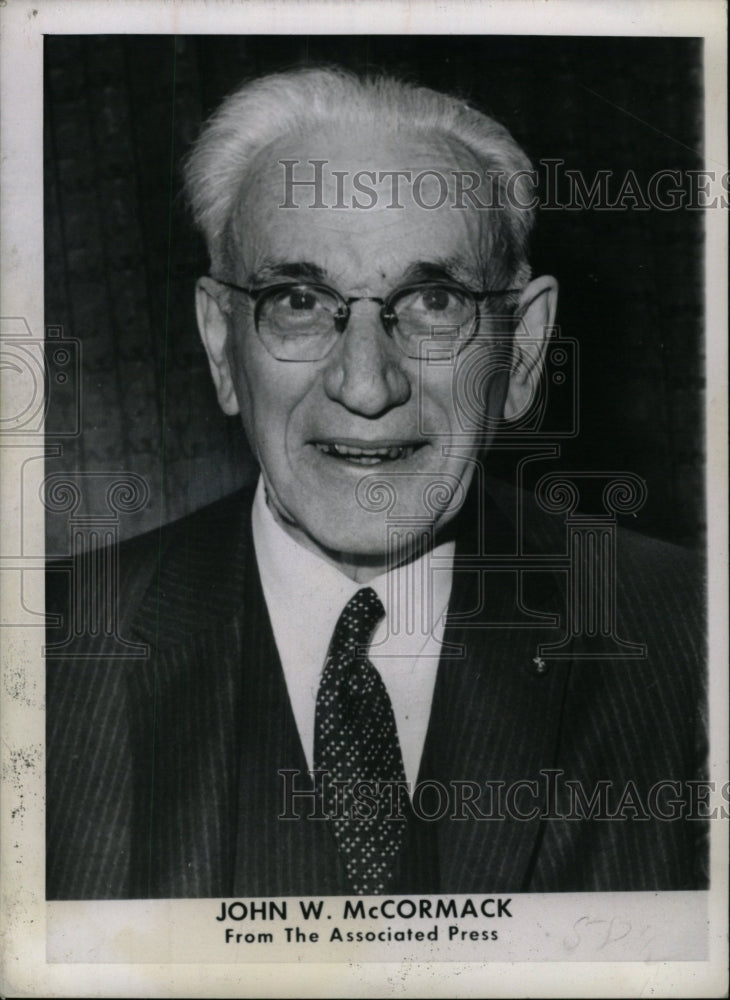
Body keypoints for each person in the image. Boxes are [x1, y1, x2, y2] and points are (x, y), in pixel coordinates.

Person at [46, 66, 707, 899]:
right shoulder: (37, 664)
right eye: (297, 298)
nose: (366, 384)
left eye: (433, 300)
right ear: (221, 344)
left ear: (525, 349)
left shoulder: (694, 643)